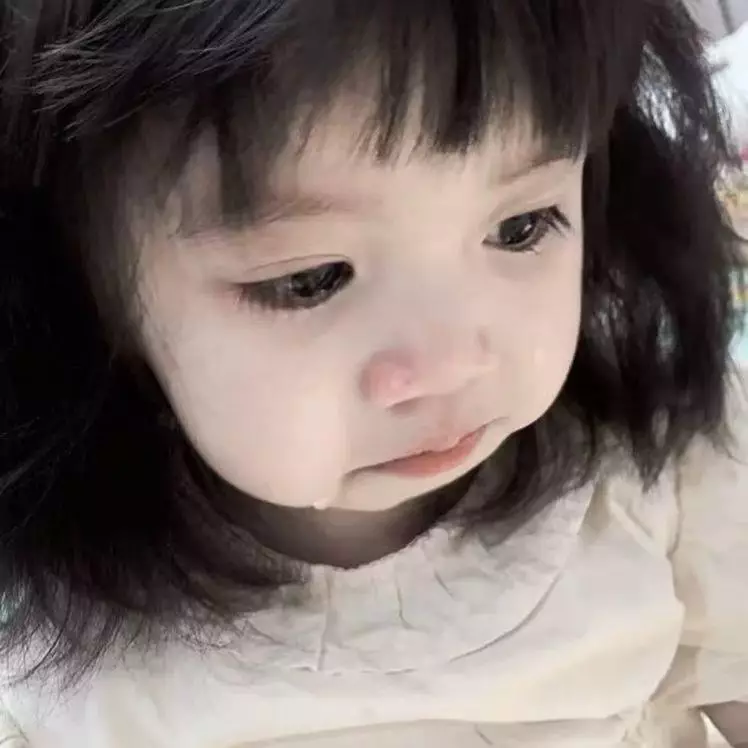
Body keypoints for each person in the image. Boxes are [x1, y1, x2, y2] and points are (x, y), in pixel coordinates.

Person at [0, 1, 746, 746]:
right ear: (87, 298)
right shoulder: (50, 655)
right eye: (312, 279)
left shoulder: (665, 454)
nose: (453, 364)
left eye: (519, 227)